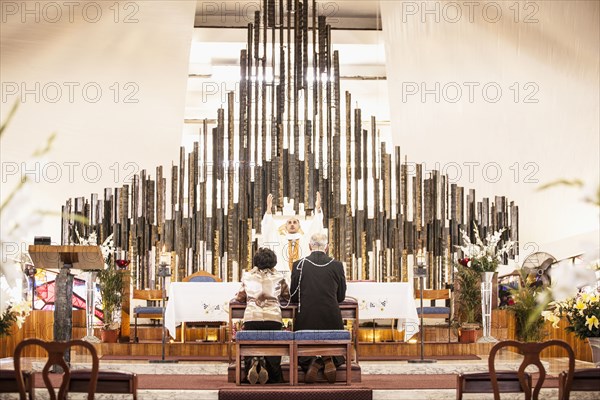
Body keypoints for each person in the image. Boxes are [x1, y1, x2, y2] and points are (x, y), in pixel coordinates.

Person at [290, 232, 347, 384]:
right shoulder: (337, 265)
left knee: (302, 348)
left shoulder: (298, 265)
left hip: (306, 317)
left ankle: (313, 361)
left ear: (309, 246)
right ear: (327, 247)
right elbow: (340, 296)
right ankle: (329, 358)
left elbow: (294, 296)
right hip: (331, 317)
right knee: (336, 343)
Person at [234, 248, 290, 384]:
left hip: (252, 318)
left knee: (250, 343)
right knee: (274, 347)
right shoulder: (279, 277)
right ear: (273, 262)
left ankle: (253, 363)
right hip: (273, 319)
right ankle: (272, 373)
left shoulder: (247, 276)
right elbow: (287, 295)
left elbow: (240, 297)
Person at [260, 192, 323, 277]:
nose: (292, 224)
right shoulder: (280, 240)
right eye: (289, 223)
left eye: (294, 222)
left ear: (299, 226)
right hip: (283, 278)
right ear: (285, 227)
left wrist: (318, 209)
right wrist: (268, 210)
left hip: (302, 277)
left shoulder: (305, 240)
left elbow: (316, 227)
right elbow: (268, 230)